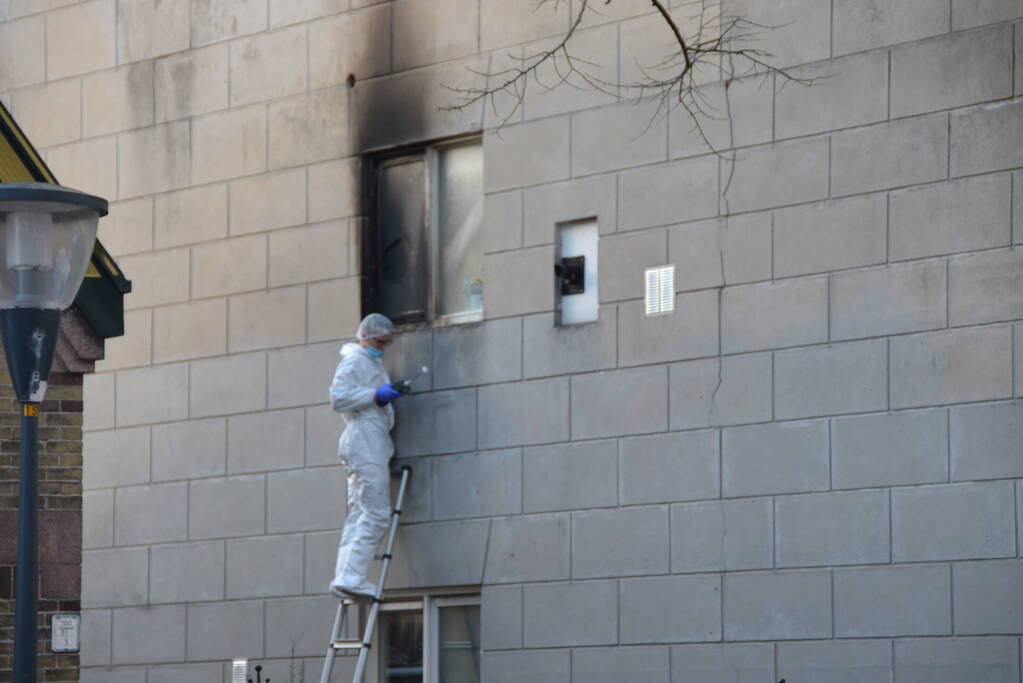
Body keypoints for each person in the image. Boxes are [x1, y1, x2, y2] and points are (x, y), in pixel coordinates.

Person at [328, 313, 404, 599]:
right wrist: (376, 395)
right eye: (380, 342)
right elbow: (338, 397)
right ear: (365, 337)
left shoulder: (369, 362)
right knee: (376, 512)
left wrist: (383, 395)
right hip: (364, 443)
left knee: (359, 513)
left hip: (366, 443)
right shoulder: (356, 361)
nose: (383, 347)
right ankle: (351, 576)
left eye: (386, 343)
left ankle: (344, 576)